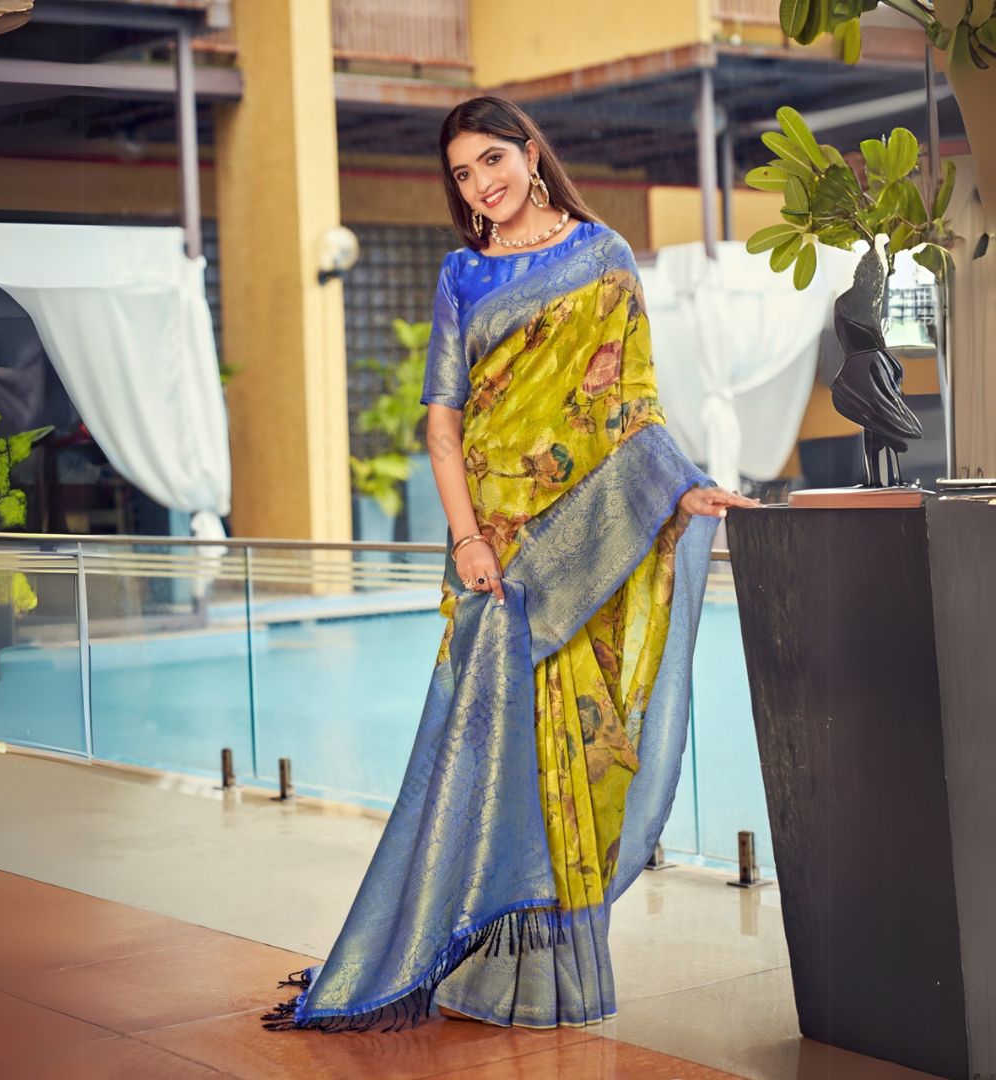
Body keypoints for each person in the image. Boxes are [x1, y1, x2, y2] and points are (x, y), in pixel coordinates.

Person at [263, 95, 757, 1033]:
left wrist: (684, 489)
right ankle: (472, 963)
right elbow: (443, 426)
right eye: (462, 173)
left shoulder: (605, 258)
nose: (481, 184)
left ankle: (550, 977)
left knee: (583, 752)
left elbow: (633, 406)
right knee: (492, 759)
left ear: (530, 155)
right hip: (495, 553)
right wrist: (467, 540)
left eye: (492, 160)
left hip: (585, 543)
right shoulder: (462, 274)